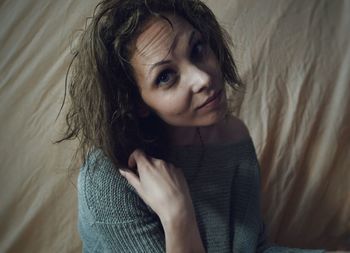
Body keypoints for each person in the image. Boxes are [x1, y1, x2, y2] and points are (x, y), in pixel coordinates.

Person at [58, 0, 327, 252]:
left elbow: (252, 248)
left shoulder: (233, 136)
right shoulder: (108, 180)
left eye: (197, 49)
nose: (203, 78)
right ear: (137, 103)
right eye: (165, 76)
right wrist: (178, 217)